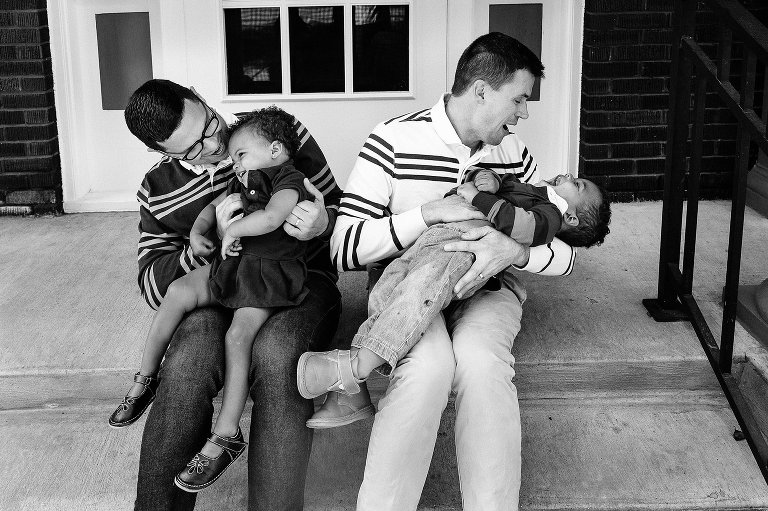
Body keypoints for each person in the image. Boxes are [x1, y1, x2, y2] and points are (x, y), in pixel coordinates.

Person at [325, 33, 579, 510]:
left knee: (482, 365)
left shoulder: (513, 153)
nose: (523, 114)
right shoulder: (393, 139)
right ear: (481, 90)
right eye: (519, 99)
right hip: (409, 287)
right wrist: (427, 215)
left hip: (487, 289)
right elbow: (344, 248)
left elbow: (565, 253)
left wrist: (515, 253)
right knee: (428, 369)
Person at [122, 79, 370, 510]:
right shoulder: (156, 188)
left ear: (201, 97)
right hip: (222, 284)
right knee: (187, 358)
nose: (213, 143)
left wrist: (324, 223)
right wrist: (207, 242)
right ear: (162, 151)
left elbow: (349, 214)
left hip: (300, 280)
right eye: (192, 149)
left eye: (209, 124)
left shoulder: (271, 134)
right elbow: (151, 282)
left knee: (277, 356)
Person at [298, 169, 611, 402]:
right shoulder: (535, 190)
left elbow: (514, 223)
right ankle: (351, 392)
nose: (570, 174)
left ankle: (356, 367)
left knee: (417, 295)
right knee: (390, 284)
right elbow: (505, 182)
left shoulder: (549, 215)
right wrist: (489, 178)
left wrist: (478, 196)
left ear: (571, 219)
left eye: (578, 184)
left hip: (461, 245)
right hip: (436, 236)